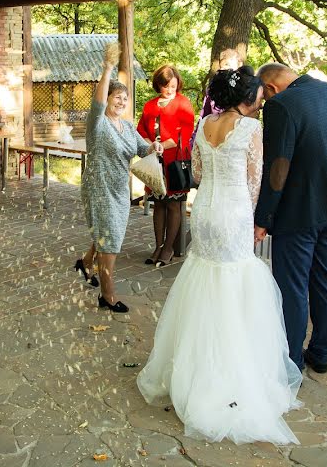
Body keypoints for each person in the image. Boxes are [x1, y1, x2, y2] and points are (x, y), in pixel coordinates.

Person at [138, 67, 302, 445]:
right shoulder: (251, 129)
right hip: (234, 211)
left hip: (206, 210)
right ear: (247, 98)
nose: (261, 102)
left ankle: (193, 370)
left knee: (205, 278)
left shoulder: (205, 121)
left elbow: (195, 171)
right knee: (233, 284)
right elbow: (254, 180)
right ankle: (230, 376)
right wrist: (257, 220)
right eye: (259, 97)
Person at [254, 63, 327, 373]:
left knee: (293, 285)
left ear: (270, 88)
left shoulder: (282, 105)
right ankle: (321, 352)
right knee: (325, 276)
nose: (263, 104)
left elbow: (278, 167)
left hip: (300, 209)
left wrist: (263, 217)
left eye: (263, 97)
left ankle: (292, 360)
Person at [76, 43, 163, 313]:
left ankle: (85, 261)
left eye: (124, 98)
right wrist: (107, 69)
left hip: (119, 189)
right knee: (111, 238)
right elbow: (98, 100)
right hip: (99, 186)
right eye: (116, 97)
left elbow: (141, 148)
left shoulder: (126, 126)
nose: (121, 101)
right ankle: (107, 294)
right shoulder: (98, 122)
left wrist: (155, 146)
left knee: (108, 233)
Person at [136, 65, 196, 266]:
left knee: (172, 204)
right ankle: (158, 245)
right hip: (155, 161)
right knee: (158, 204)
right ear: (158, 86)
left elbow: (185, 134)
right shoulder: (150, 105)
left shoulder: (183, 103)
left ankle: (169, 247)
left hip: (175, 161)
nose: (170, 90)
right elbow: (141, 128)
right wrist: (150, 144)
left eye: (173, 85)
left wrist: (162, 145)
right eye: (165, 86)